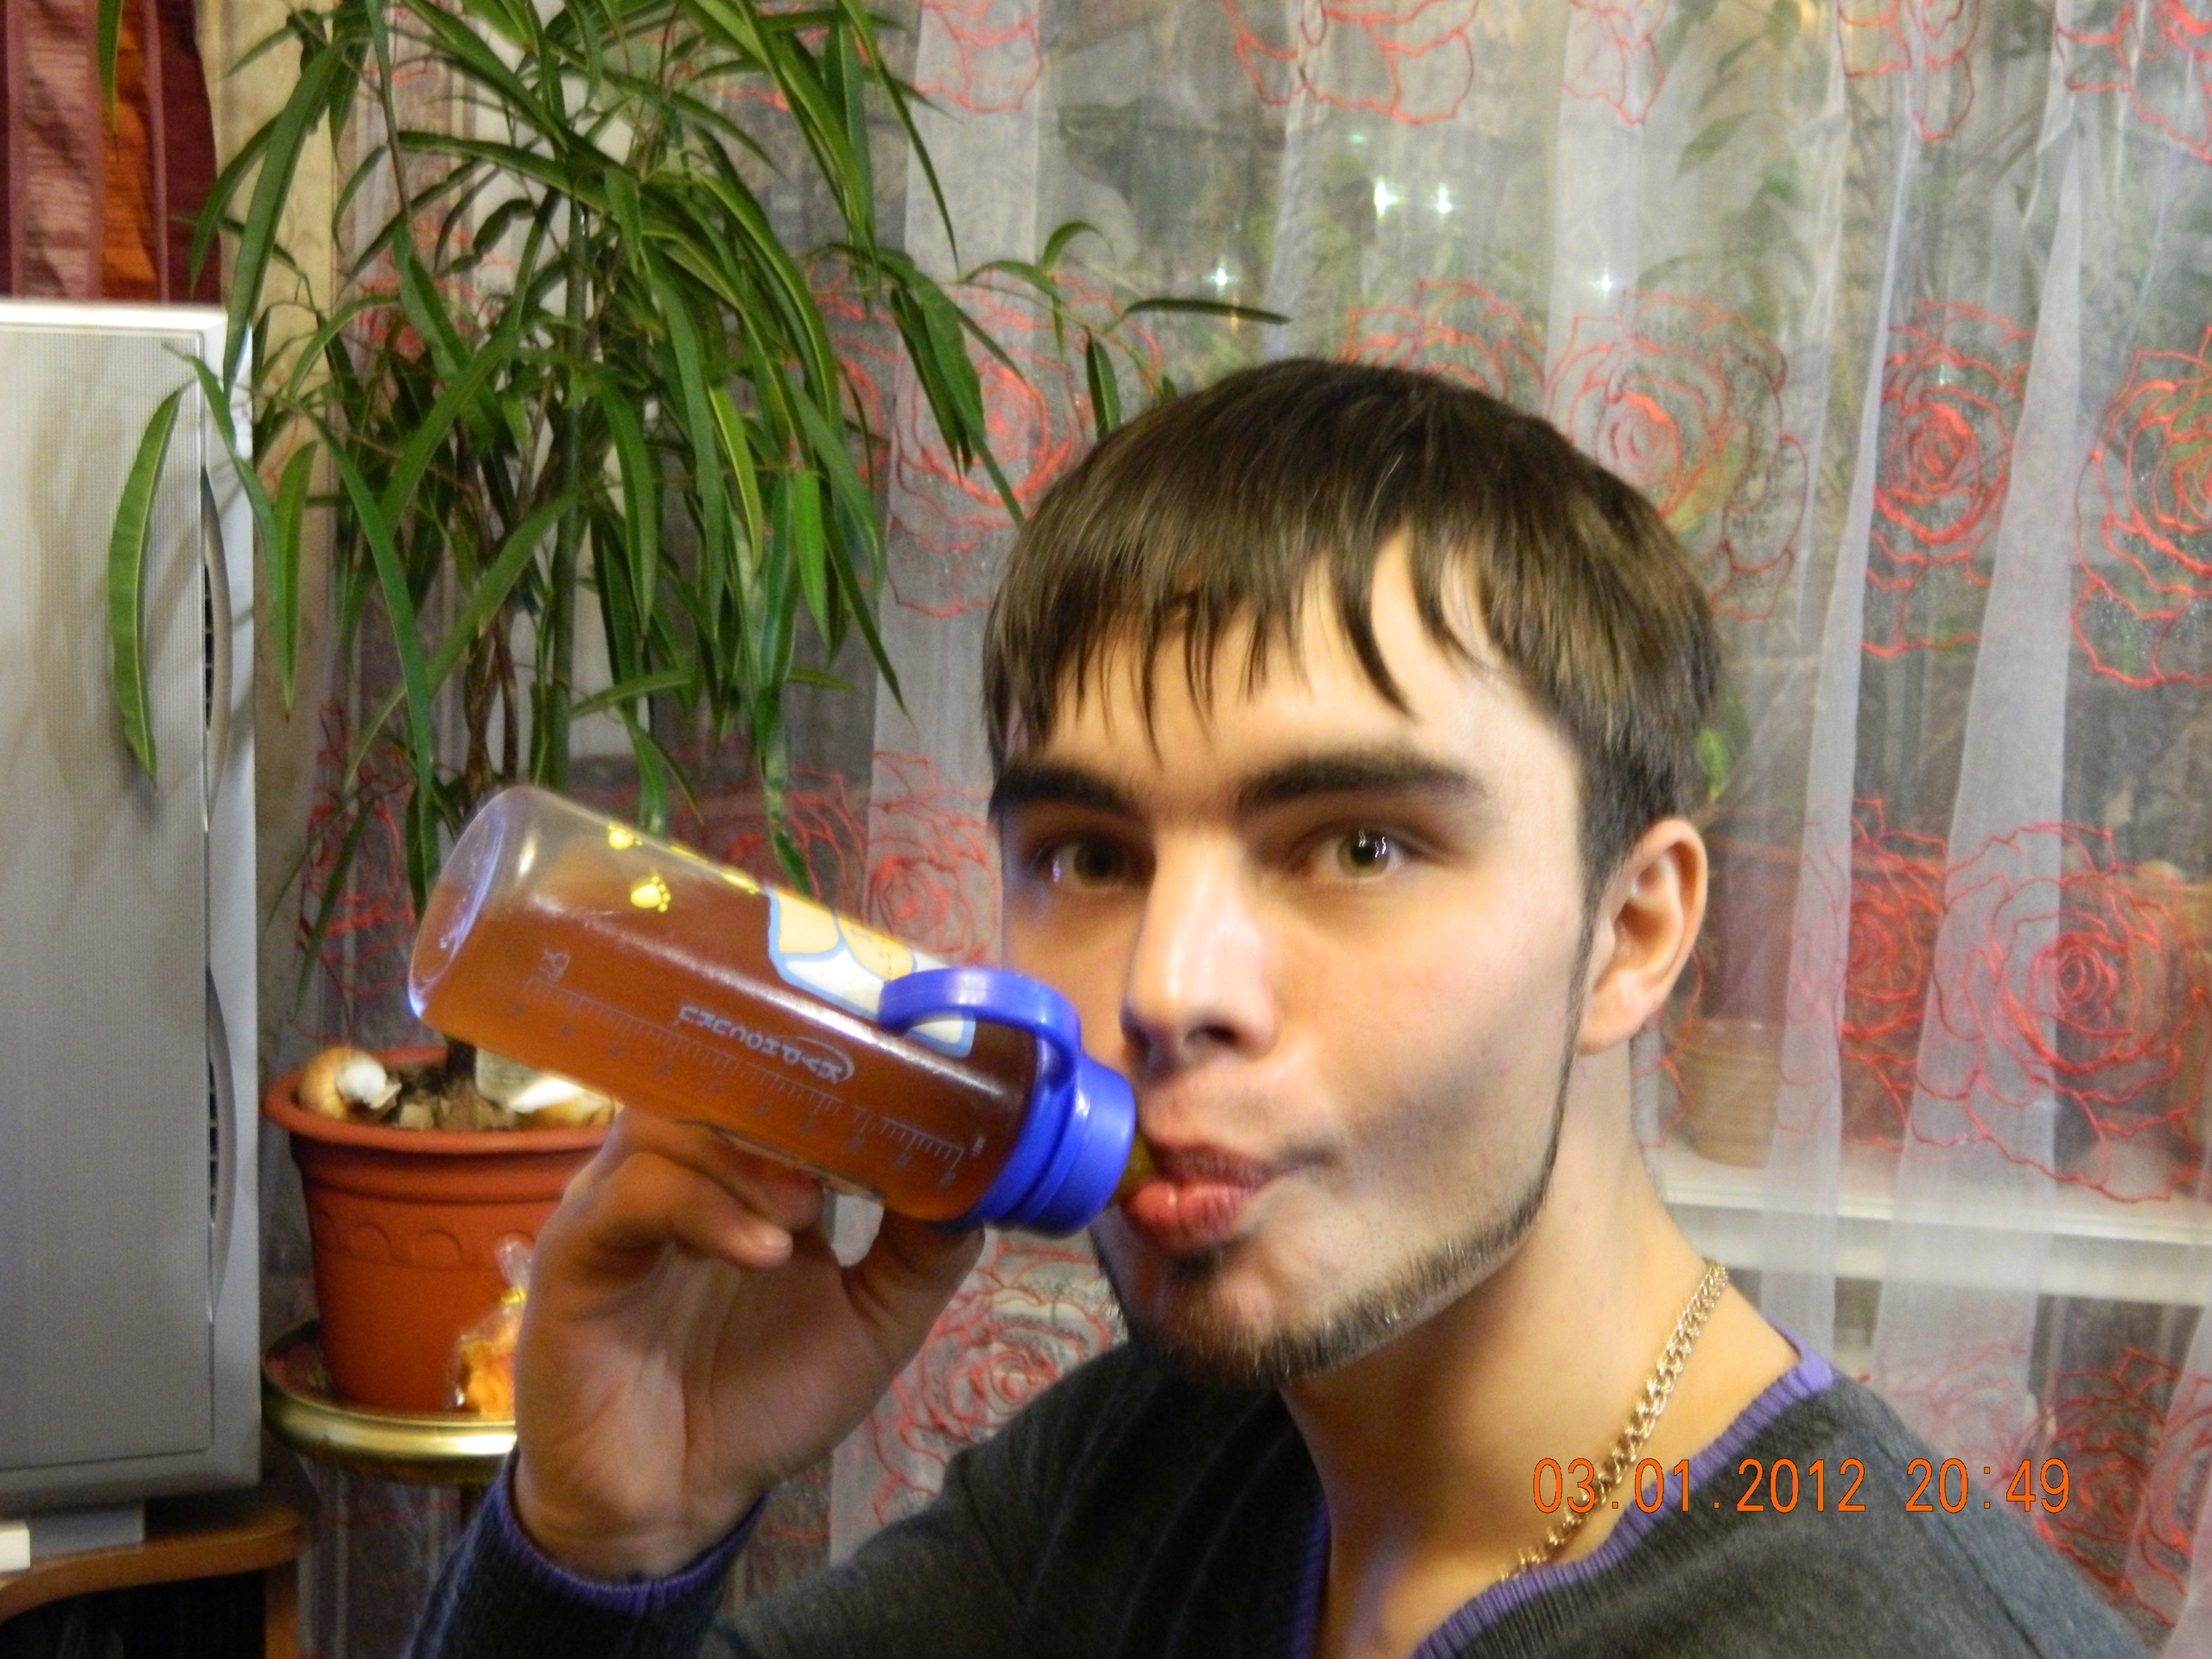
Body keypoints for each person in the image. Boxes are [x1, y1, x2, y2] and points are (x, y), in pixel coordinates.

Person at [404, 360, 2145, 1659]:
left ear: (1631, 933)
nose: (1168, 990)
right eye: (1088, 856)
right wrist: (608, 1534)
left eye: (1358, 846)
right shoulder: (1161, 1459)